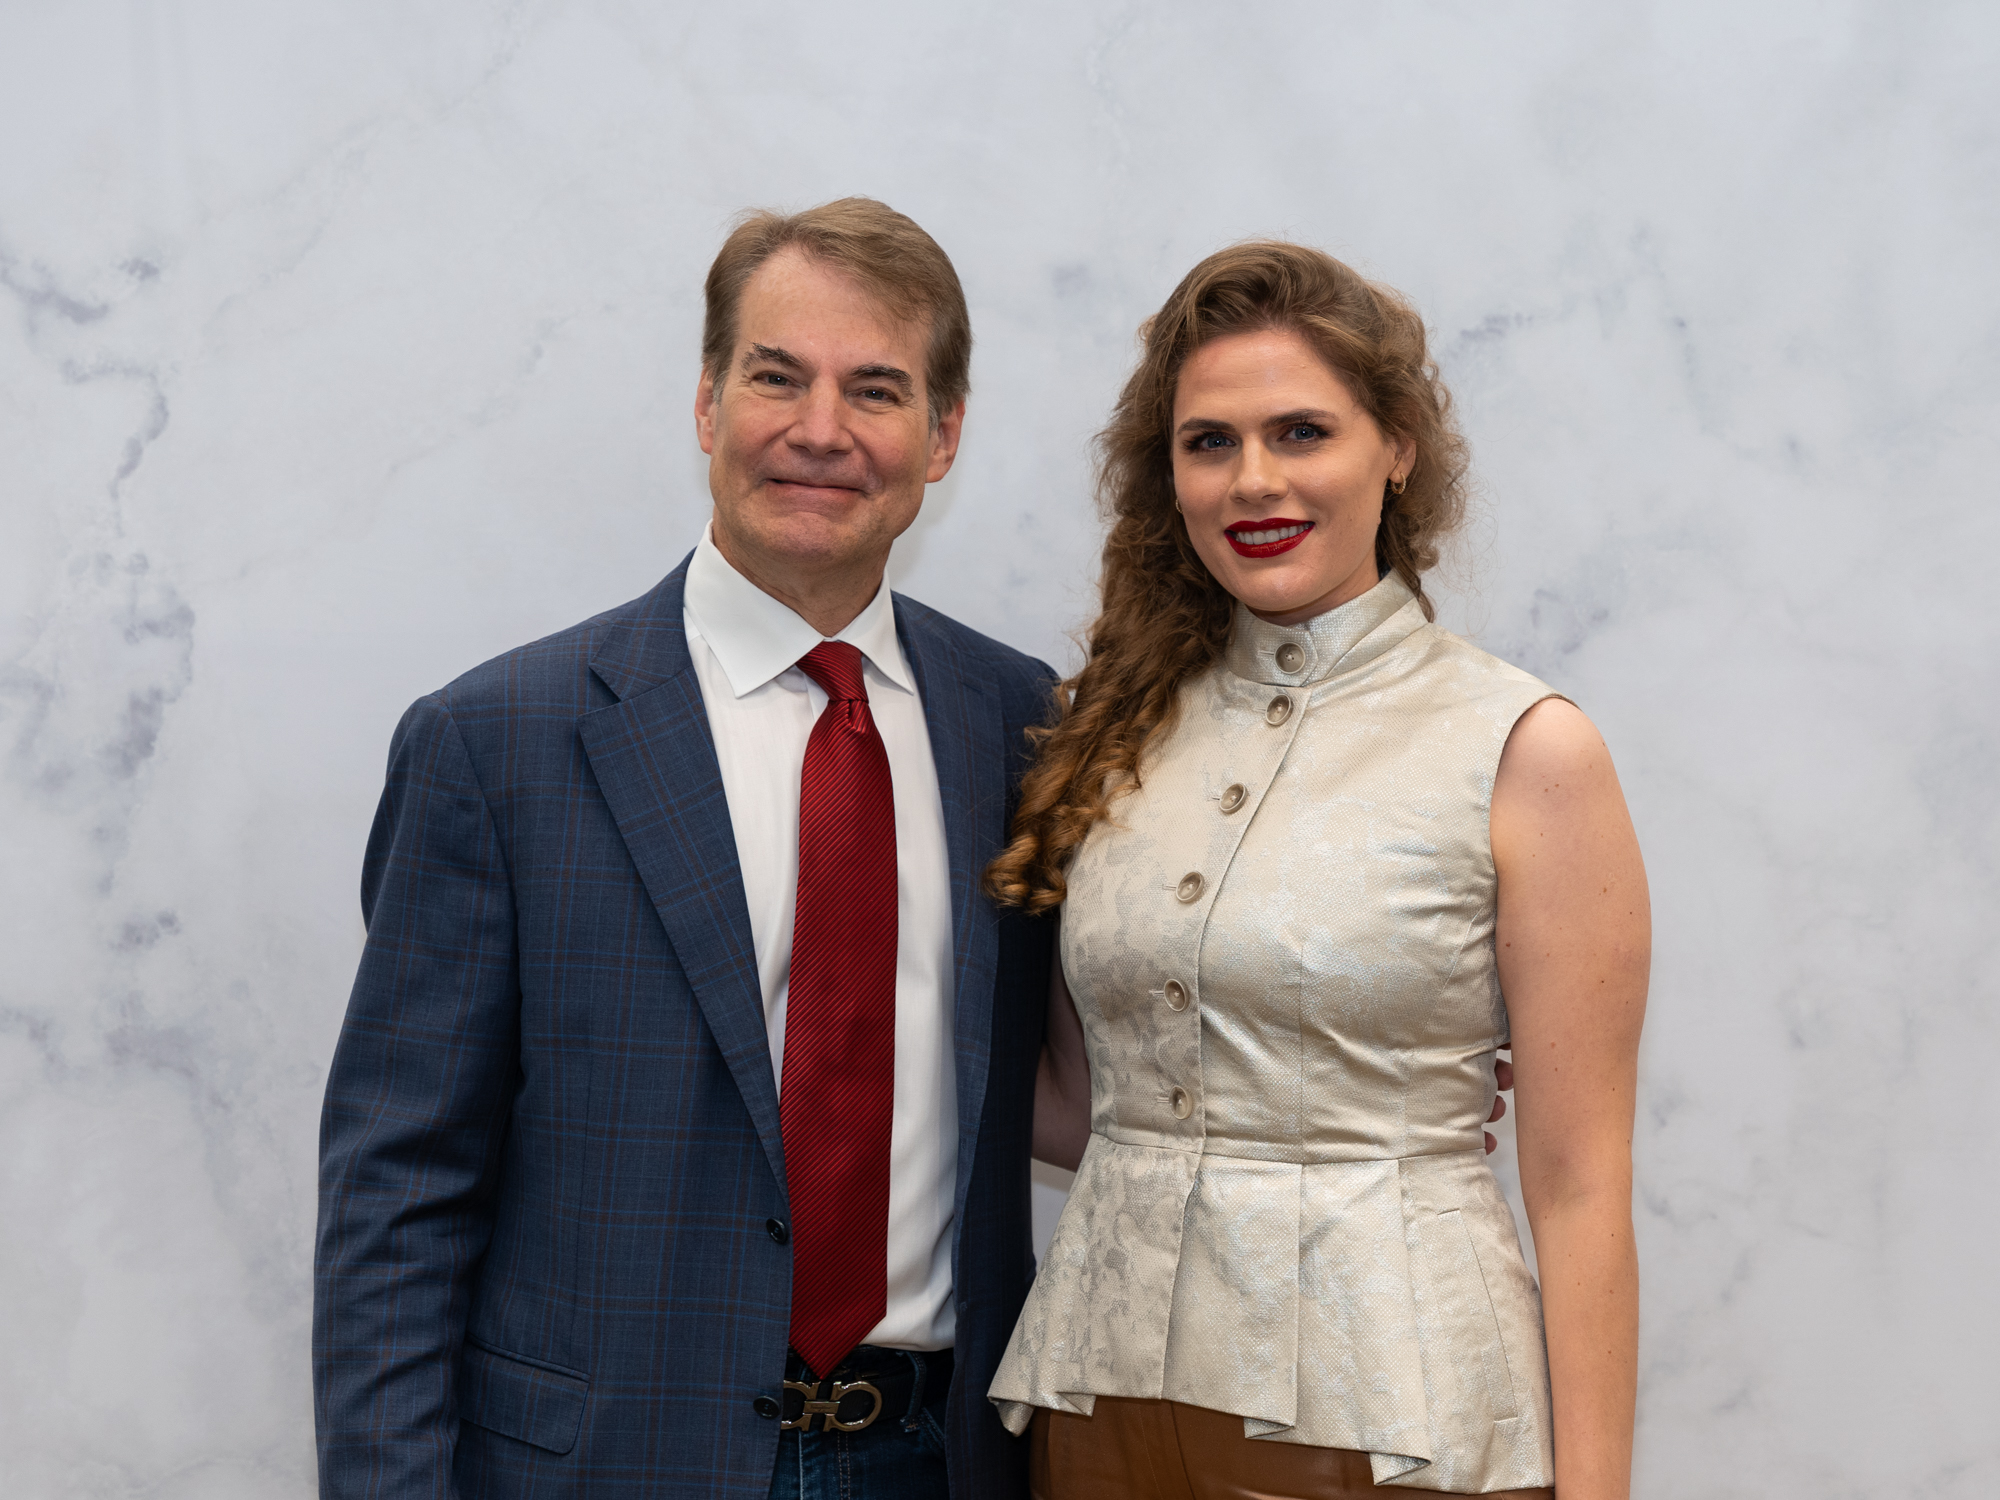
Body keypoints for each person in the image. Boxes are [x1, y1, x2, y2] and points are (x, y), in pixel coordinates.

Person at [313, 199, 1059, 1500]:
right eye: (776, 377)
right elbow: (399, 1192)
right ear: (707, 403)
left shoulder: (1020, 727)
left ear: (942, 436)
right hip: (605, 1466)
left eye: (875, 389)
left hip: (937, 1461)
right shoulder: (496, 742)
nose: (819, 429)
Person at [986, 243, 1650, 1499]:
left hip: (1395, 1424)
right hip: (1097, 1410)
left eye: (1300, 431)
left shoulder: (1521, 747)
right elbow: (1086, 1102)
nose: (1254, 480)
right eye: (1208, 442)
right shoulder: (1110, 730)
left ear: (1395, 446)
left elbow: (1577, 1187)